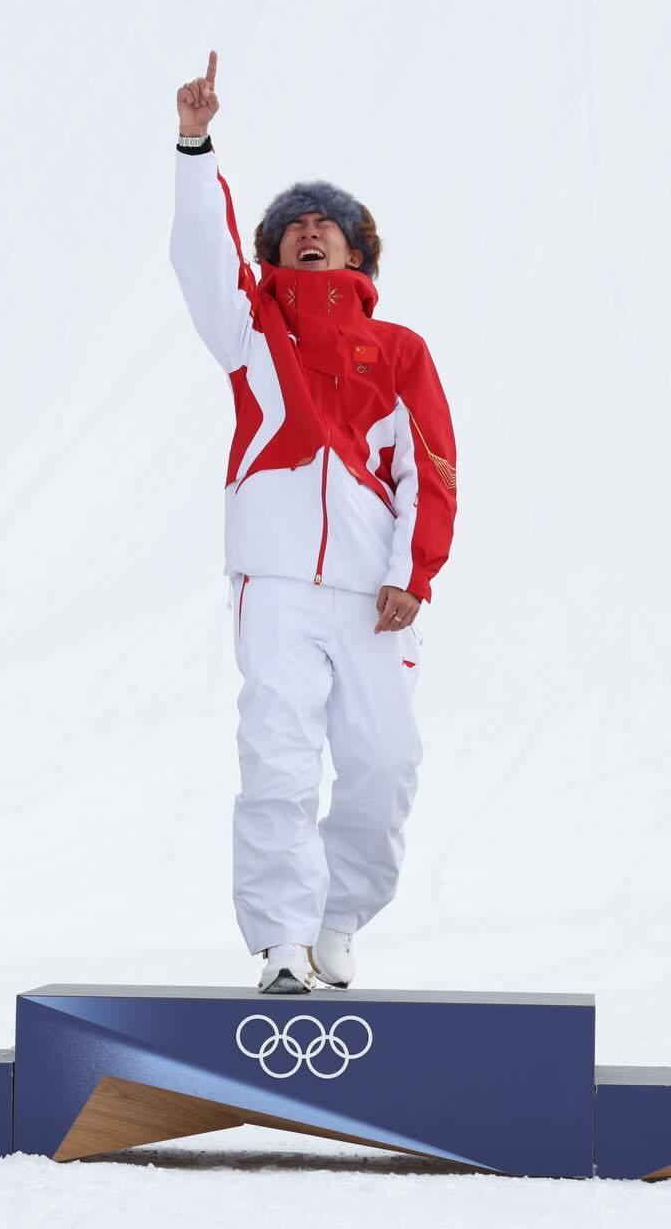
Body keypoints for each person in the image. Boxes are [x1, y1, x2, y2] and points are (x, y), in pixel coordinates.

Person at [170, 53, 457, 993]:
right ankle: (283, 943)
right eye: (291, 227)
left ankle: (339, 918)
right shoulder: (255, 328)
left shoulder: (401, 350)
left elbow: (432, 467)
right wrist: (195, 145)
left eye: (324, 224)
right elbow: (201, 257)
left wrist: (416, 574)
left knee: (384, 772)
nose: (307, 232)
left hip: (377, 595)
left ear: (359, 255)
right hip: (278, 579)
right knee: (279, 761)